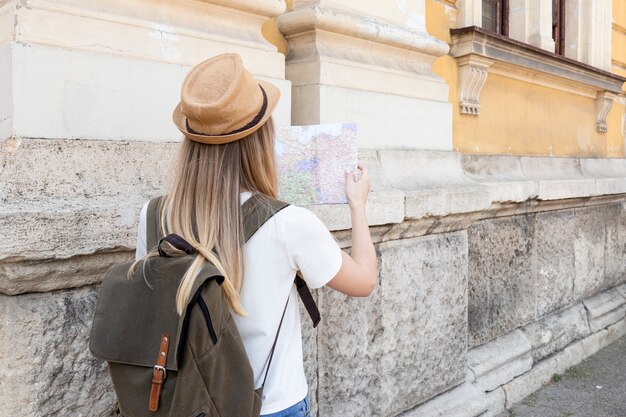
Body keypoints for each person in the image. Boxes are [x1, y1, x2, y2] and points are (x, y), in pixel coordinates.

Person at [133, 53, 377, 417]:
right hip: (271, 404)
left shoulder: (154, 215)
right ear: (262, 140)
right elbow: (364, 281)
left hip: (186, 404)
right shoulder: (289, 223)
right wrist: (358, 205)